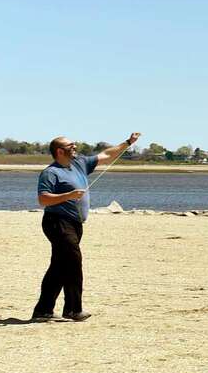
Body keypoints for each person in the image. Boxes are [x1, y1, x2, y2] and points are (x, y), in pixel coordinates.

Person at [33, 132, 141, 322]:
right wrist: (69, 195)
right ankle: (74, 310)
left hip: (75, 224)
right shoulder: (51, 173)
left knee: (59, 266)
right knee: (73, 262)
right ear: (59, 151)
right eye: (70, 145)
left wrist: (128, 142)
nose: (75, 147)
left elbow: (107, 155)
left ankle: (43, 310)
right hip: (57, 222)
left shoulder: (79, 163)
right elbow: (43, 199)